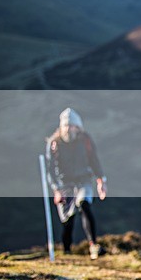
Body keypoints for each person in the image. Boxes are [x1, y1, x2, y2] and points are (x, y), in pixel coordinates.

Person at [45, 108, 107, 259]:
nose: (68, 129)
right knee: (68, 218)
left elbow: (94, 160)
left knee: (84, 204)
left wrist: (101, 180)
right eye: (66, 126)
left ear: (78, 127)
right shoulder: (54, 144)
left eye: (71, 125)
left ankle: (93, 245)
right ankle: (67, 250)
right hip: (64, 184)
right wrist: (56, 190)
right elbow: (50, 169)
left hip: (83, 180)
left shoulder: (85, 140)